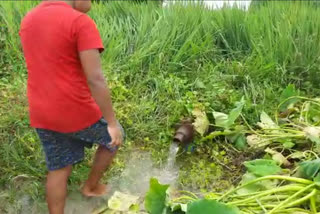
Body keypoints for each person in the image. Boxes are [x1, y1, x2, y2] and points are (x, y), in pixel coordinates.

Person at [19, 1, 124, 213]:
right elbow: (95, 79)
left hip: (41, 111)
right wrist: (111, 123)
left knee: (58, 168)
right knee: (114, 138)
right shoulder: (79, 22)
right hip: (74, 109)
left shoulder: (29, 19)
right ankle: (90, 187)